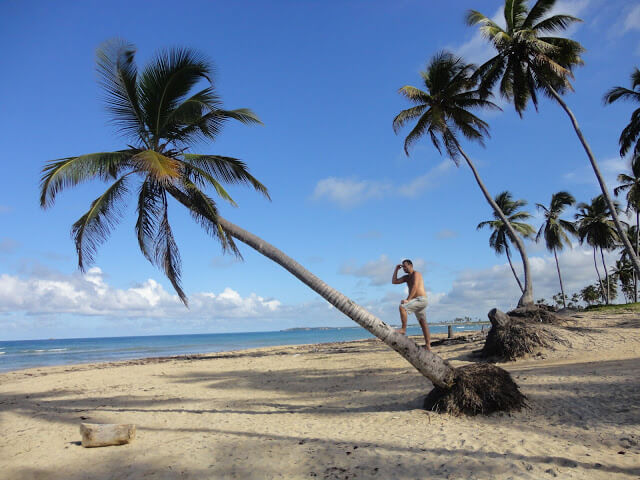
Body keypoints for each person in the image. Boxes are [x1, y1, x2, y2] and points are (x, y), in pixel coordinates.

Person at [392, 259, 431, 350]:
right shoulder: (406, 277)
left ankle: (403, 329)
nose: (404, 268)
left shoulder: (416, 274)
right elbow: (394, 281)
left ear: (411, 265)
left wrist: (408, 300)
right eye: (403, 267)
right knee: (423, 323)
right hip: (417, 301)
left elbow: (415, 287)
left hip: (421, 299)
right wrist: (396, 270)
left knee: (402, 307)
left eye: (405, 266)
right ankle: (428, 345)